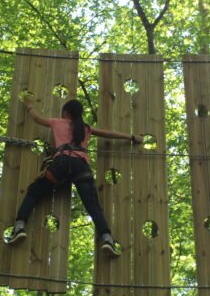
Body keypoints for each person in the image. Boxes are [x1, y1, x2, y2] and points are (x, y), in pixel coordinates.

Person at [8, 97, 140, 257]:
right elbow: (109, 133)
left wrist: (29, 106)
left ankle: (19, 227)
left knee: (34, 192)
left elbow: (36, 118)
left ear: (66, 112)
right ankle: (107, 239)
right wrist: (132, 137)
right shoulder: (85, 128)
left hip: (60, 164)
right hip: (80, 167)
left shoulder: (57, 122)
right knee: (93, 206)